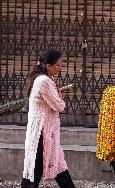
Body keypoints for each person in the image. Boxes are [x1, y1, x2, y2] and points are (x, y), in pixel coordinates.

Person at [21, 49, 76, 188]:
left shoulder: (45, 79)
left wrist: (57, 98)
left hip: (46, 134)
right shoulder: (44, 81)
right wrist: (61, 99)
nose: (60, 68)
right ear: (48, 66)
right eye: (58, 65)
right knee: (33, 175)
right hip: (41, 135)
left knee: (59, 168)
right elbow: (59, 106)